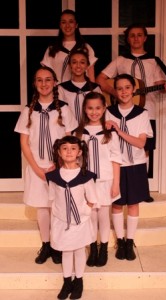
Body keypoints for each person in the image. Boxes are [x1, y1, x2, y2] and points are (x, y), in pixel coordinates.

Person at [96, 24, 166, 202]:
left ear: (145, 38)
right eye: (132, 35)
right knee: (118, 147)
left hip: (148, 110)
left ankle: (142, 190)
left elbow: (161, 85)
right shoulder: (121, 60)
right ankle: (120, 185)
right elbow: (100, 78)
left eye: (140, 35)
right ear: (128, 38)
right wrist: (114, 92)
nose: (136, 38)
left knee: (144, 148)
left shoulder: (154, 61)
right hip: (122, 110)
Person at [14, 66, 78, 265]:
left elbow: (71, 138)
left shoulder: (64, 109)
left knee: (57, 207)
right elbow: (24, 142)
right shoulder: (29, 110)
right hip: (36, 167)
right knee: (42, 208)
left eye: (48, 79)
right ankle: (46, 244)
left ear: (55, 83)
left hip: (58, 167)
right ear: (35, 84)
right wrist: (36, 168)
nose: (44, 84)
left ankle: (59, 245)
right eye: (39, 80)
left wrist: (58, 165)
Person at [105, 74, 153, 260]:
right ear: (115, 91)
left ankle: (130, 241)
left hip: (135, 164)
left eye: (127, 87)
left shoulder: (142, 113)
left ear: (134, 89)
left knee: (133, 204)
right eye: (119, 88)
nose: (123, 91)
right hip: (115, 165)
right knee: (117, 204)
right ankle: (120, 240)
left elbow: (141, 143)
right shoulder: (108, 112)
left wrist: (118, 130)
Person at [46, 135, 98, 300]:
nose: (69, 151)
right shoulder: (54, 177)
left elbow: (92, 199)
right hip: (62, 221)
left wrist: (85, 213)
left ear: (79, 152)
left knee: (79, 250)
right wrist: (57, 216)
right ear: (59, 153)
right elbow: (52, 198)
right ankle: (67, 281)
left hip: (80, 221)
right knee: (66, 250)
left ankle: (79, 280)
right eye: (65, 148)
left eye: (73, 148)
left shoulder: (85, 176)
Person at [74, 91, 122, 267]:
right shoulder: (79, 133)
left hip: (105, 182)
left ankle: (104, 248)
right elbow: (75, 160)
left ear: (103, 109)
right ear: (85, 110)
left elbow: (116, 160)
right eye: (90, 108)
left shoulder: (110, 133)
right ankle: (92, 248)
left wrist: (116, 183)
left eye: (98, 108)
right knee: (91, 217)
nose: (94, 112)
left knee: (103, 216)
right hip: (87, 184)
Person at [41, 9, 97, 83]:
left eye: (71, 22)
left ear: (76, 25)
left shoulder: (85, 47)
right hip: (58, 92)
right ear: (60, 25)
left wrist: (92, 93)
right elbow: (46, 75)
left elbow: (91, 76)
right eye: (64, 22)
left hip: (81, 92)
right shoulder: (52, 49)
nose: (67, 25)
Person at [58, 48, 102, 123]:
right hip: (69, 130)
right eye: (74, 62)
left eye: (82, 62)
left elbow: (101, 111)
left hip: (90, 130)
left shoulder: (95, 88)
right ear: (69, 65)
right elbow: (60, 112)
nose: (78, 66)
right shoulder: (62, 88)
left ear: (87, 65)